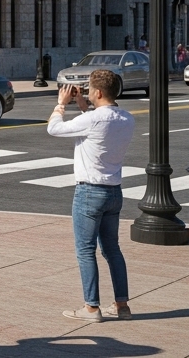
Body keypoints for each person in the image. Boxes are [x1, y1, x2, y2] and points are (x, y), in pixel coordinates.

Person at [48, 69, 134, 322]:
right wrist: (84, 106)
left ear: (97, 92)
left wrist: (61, 104)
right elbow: (101, 124)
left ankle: (91, 308)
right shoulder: (127, 118)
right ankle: (122, 305)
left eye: (89, 89)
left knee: (85, 251)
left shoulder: (94, 119)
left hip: (89, 192)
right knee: (112, 250)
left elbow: (54, 128)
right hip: (114, 192)